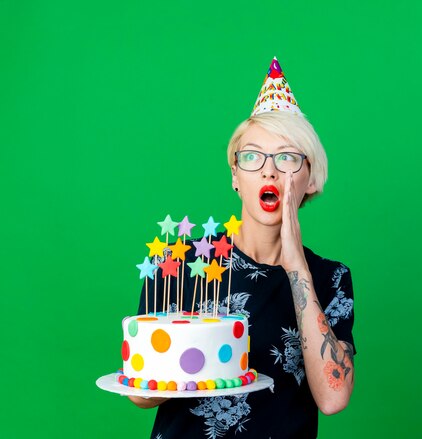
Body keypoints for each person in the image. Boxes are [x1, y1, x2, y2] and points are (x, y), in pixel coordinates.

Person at [129, 57, 356, 439]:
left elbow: (333, 399)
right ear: (235, 176)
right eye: (252, 157)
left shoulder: (330, 278)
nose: (269, 170)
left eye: (287, 157)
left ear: (312, 179)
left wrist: (297, 267)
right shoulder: (182, 264)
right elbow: (140, 395)